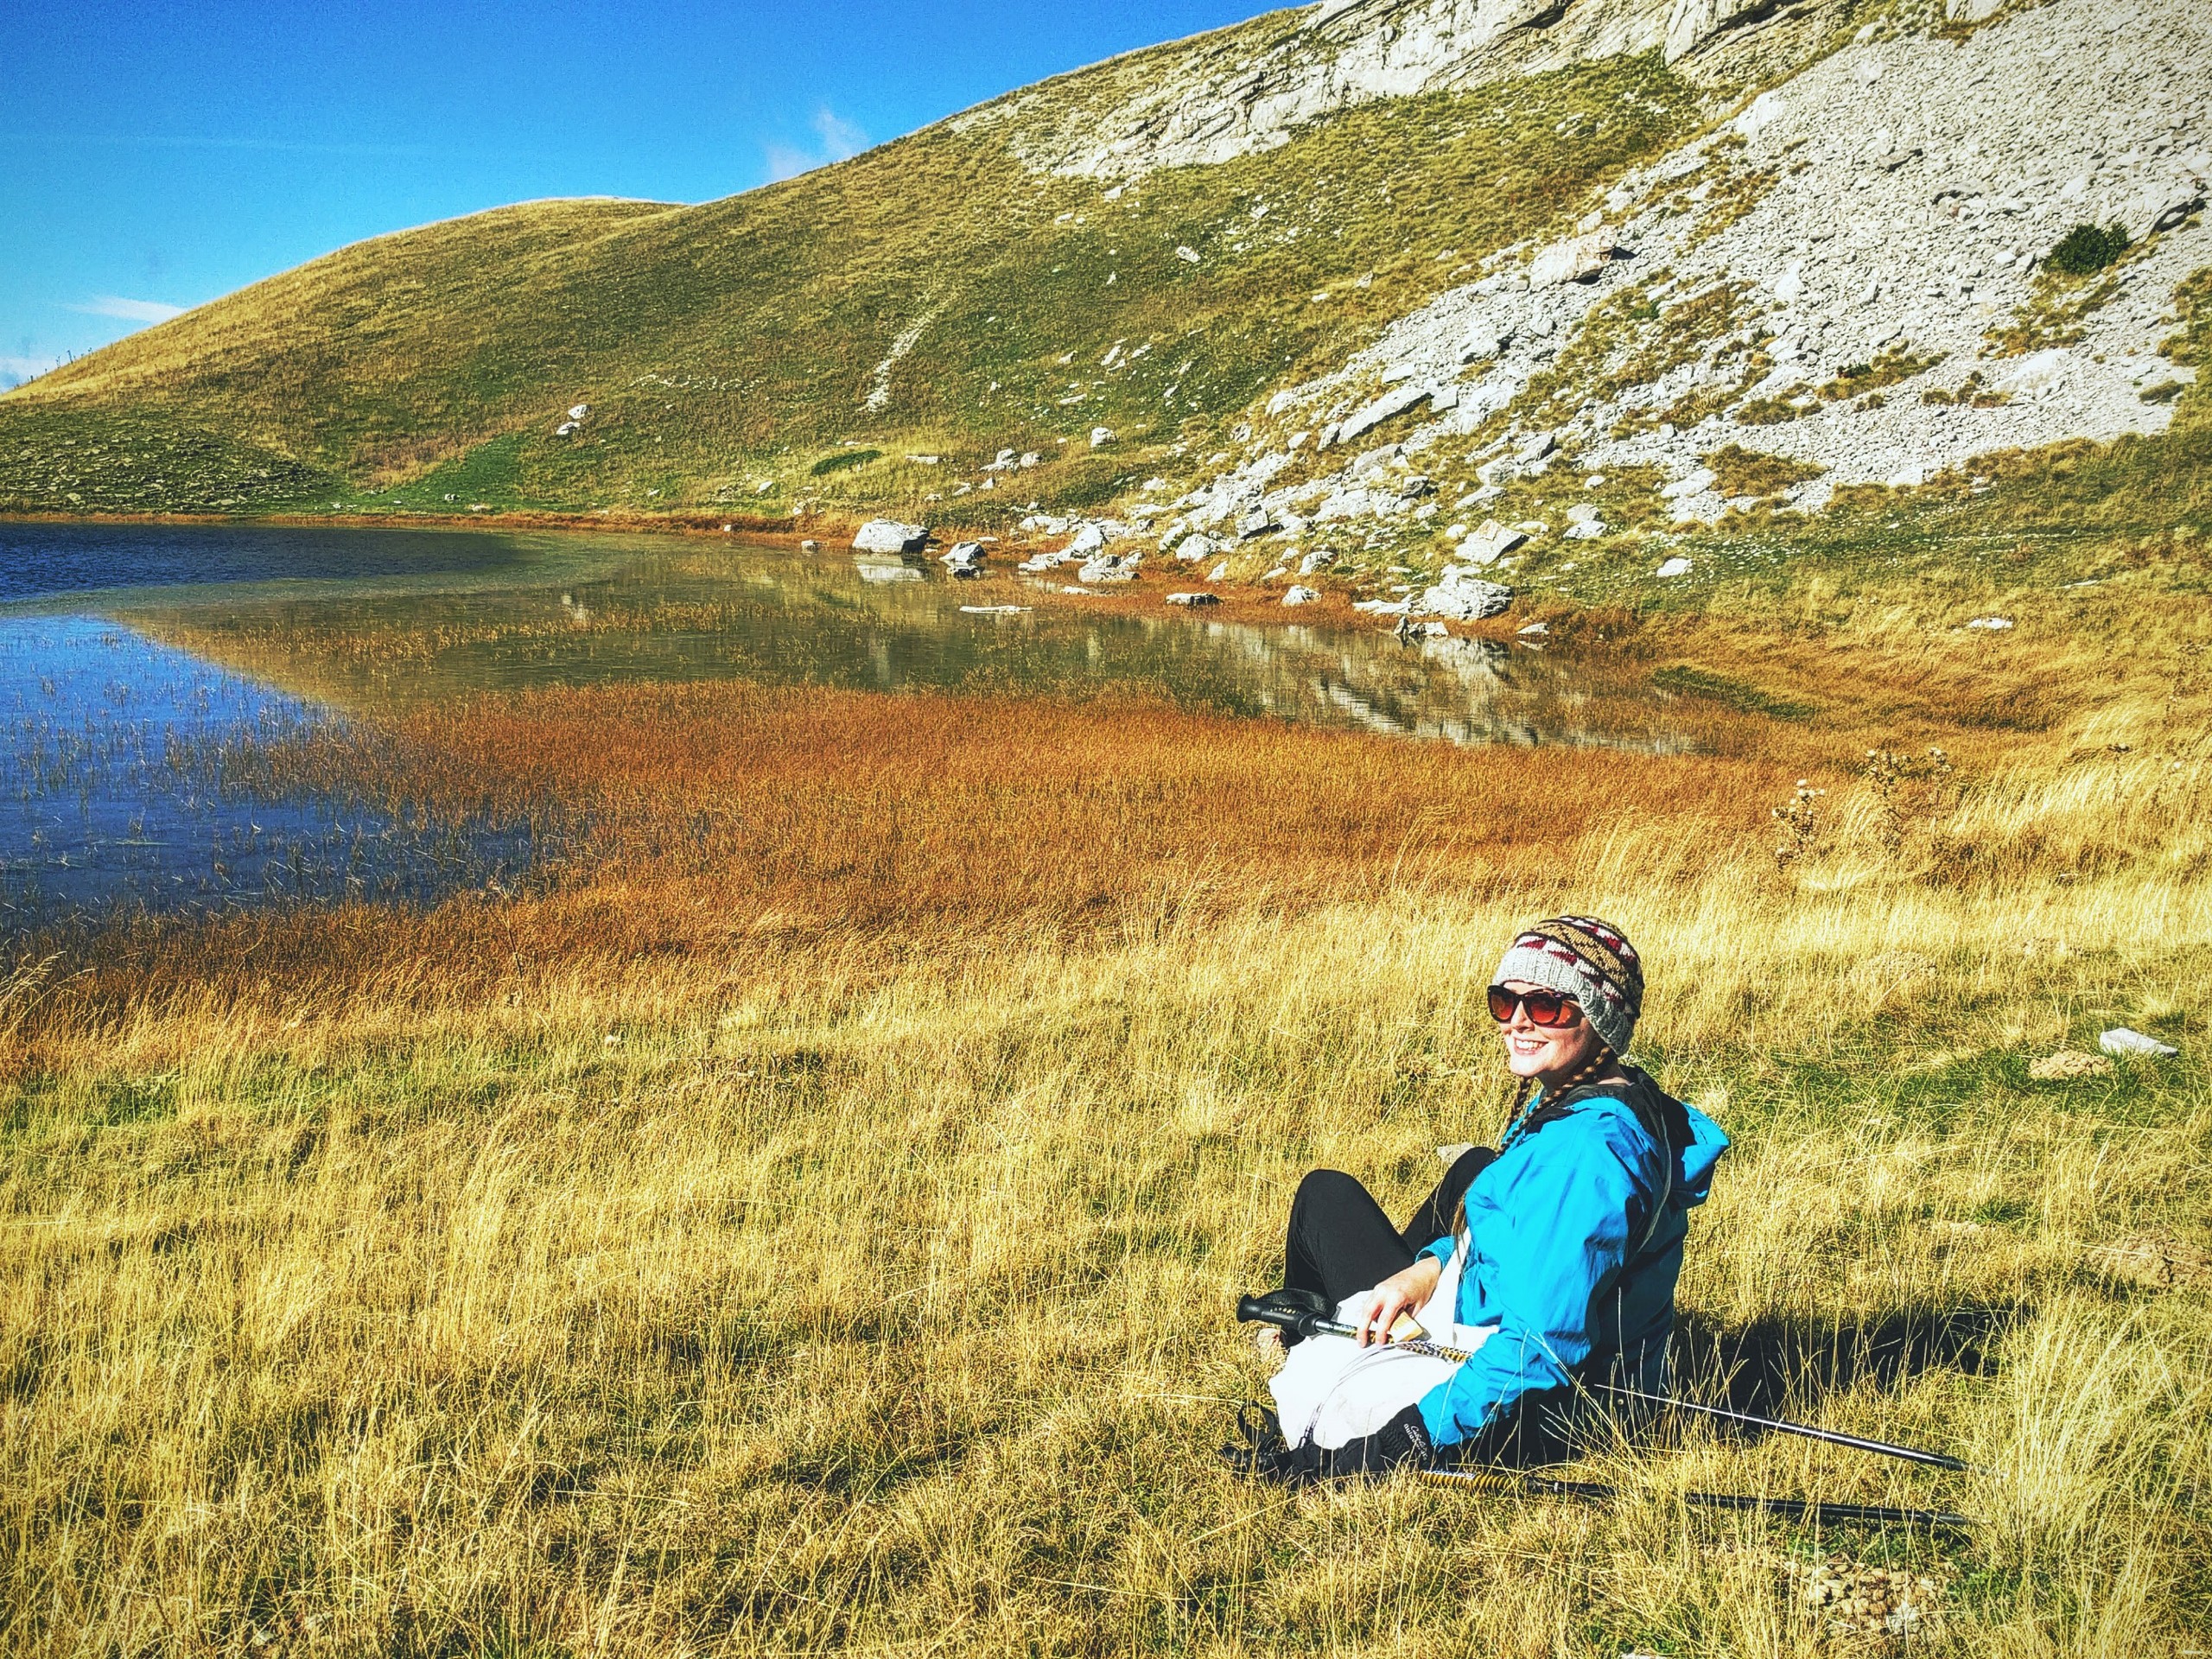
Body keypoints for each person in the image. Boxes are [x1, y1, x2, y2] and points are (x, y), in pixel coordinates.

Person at [1230, 915, 1729, 1484]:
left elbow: (1535, 1350)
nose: (1518, 1021)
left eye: (1547, 1006)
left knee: (1326, 1197)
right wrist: (1429, 1267)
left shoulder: (1584, 1157)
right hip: (1559, 1356)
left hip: (1544, 1414)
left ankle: (1302, 1335)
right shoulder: (1619, 1097)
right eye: (1504, 1000)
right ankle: (1318, 1327)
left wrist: (1405, 1439)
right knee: (1474, 1167)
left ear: (1599, 1016)